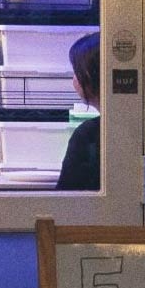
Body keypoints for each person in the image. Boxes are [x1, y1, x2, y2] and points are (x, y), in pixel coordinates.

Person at [57, 32, 102, 191]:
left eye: (76, 71)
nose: (74, 79)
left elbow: (66, 198)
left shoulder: (88, 135)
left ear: (89, 76)